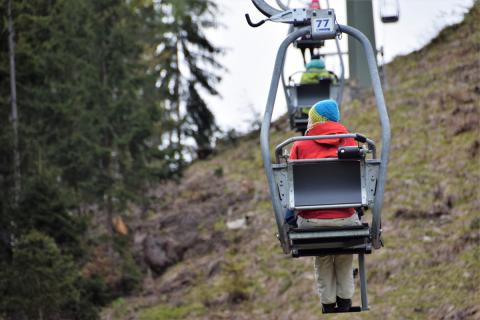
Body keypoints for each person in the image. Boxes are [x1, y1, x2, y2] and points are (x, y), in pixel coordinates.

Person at [289, 99, 361, 313]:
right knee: (345, 253)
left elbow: (289, 184)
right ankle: (346, 299)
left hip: (311, 221)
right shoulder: (350, 142)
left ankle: (327, 301)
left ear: (314, 120)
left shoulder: (299, 145)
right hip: (346, 218)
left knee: (322, 254)